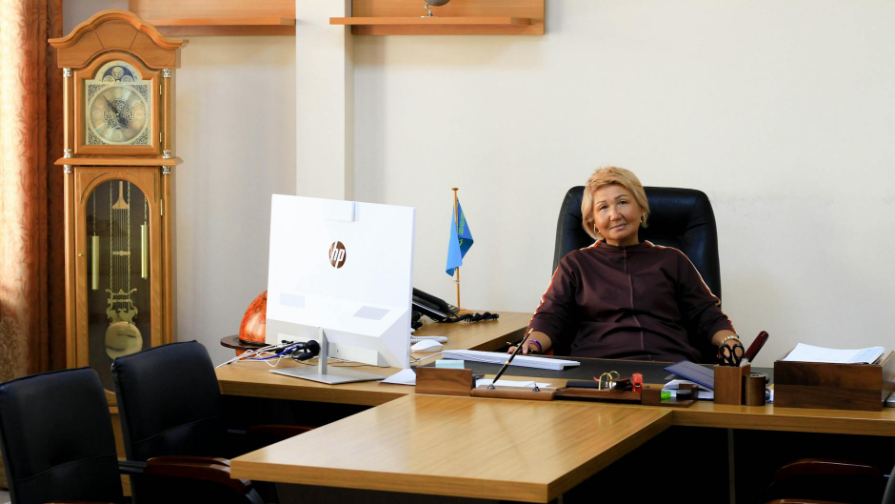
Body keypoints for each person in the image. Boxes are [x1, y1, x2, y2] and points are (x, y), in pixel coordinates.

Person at [511, 166, 740, 362]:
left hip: (671, 368)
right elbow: (551, 317)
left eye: (622, 202)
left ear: (641, 208)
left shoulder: (673, 260)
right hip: (597, 370)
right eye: (603, 207)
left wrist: (730, 341)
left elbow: (707, 315)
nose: (615, 214)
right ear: (593, 223)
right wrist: (531, 344)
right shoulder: (575, 264)